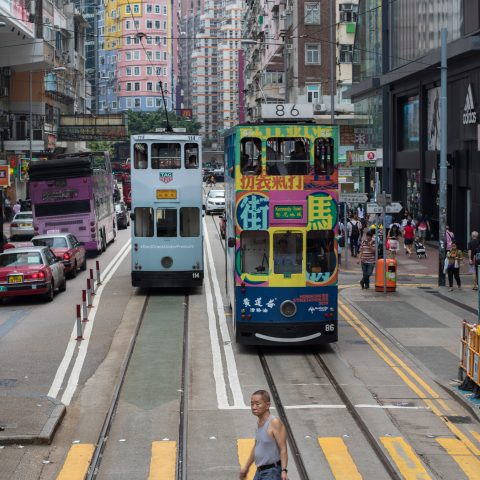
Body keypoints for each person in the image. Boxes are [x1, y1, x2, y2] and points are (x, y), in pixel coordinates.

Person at [239, 390, 288, 480]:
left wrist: (284, 470)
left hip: (272, 472)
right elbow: (257, 446)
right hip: (260, 471)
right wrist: (246, 466)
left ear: (268, 405)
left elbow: (283, 448)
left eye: (258, 404)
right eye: (252, 404)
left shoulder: (274, 422)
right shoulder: (259, 422)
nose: (254, 407)